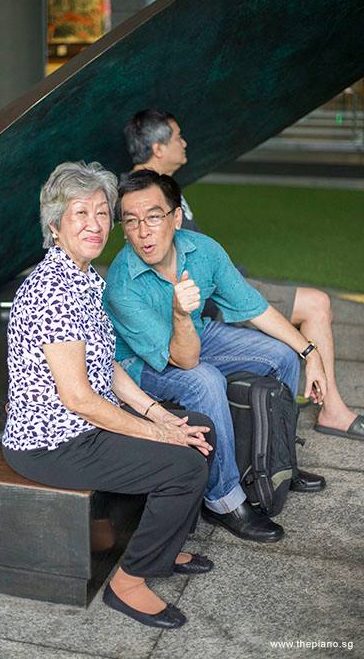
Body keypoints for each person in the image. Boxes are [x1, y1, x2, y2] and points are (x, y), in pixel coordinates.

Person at [2, 160, 217, 630]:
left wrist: (158, 414)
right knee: (183, 466)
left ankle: (163, 548)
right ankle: (128, 583)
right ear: (55, 225)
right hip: (53, 443)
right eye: (80, 214)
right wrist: (158, 434)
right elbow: (79, 398)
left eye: (102, 213)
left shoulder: (85, 278)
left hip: (86, 426)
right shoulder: (52, 291)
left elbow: (107, 366)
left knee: (199, 427)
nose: (95, 224)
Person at [103, 169, 330, 541]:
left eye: (154, 217)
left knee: (282, 355)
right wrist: (180, 314)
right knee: (205, 381)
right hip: (140, 361)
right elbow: (184, 361)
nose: (143, 231)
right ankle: (223, 499)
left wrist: (309, 351)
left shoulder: (203, 250)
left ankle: (279, 461)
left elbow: (255, 307)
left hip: (196, 334)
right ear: (124, 229)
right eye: (131, 221)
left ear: (176, 217)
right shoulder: (122, 284)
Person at [119, 108, 363, 443]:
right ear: (158, 148)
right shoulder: (140, 203)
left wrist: (310, 352)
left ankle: (277, 448)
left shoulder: (166, 192)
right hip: (204, 305)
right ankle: (329, 410)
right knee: (315, 305)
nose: (185, 143)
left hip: (219, 287)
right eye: (178, 137)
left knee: (286, 348)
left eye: (154, 218)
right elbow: (178, 336)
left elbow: (204, 259)